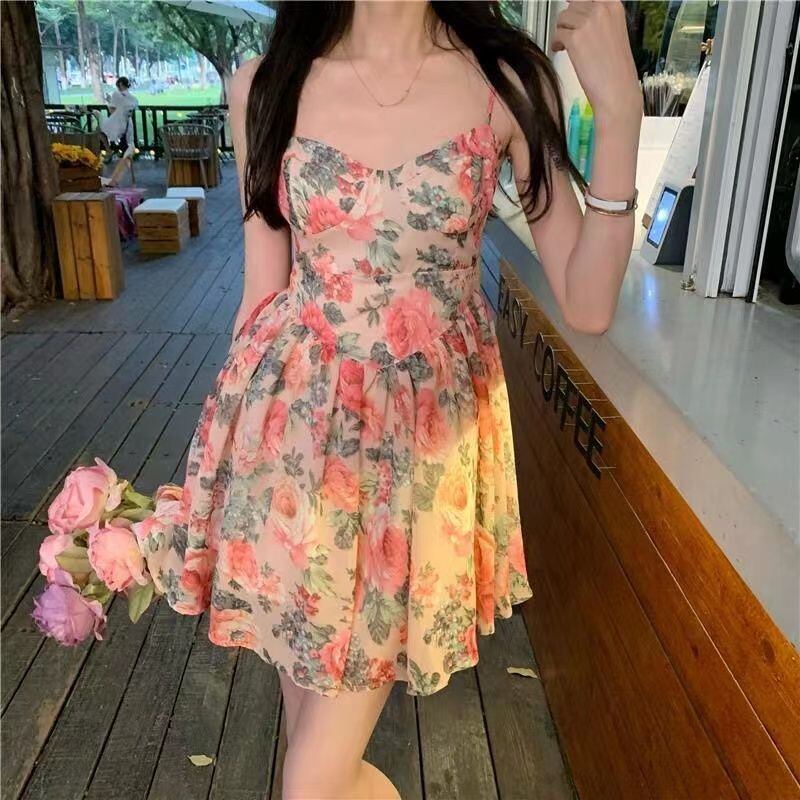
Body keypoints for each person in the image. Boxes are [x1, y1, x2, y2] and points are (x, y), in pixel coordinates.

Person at [137, 2, 641, 797]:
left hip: (416, 472)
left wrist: (621, 116)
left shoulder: (505, 83)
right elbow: (261, 300)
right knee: (312, 761)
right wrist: (213, 485)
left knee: (311, 781)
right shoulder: (265, 86)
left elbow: (589, 303)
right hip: (289, 463)